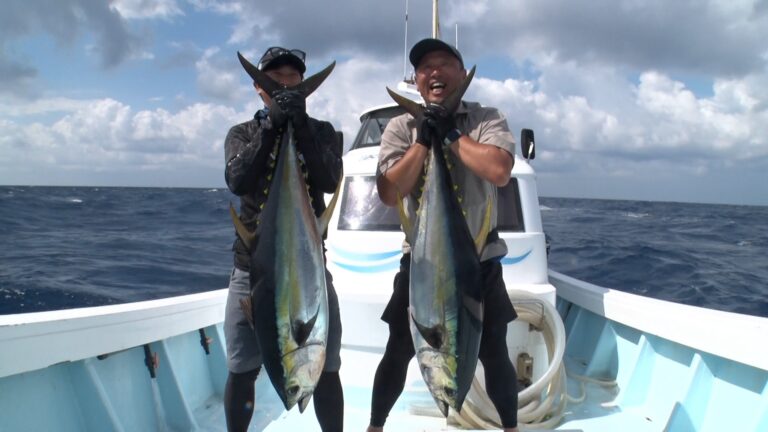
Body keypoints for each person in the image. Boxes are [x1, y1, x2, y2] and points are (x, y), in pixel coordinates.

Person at [367, 38, 520, 432]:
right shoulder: (402, 126)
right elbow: (390, 192)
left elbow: (499, 171)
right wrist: (423, 139)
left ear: (461, 73)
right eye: (425, 67)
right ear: (417, 80)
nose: (434, 72)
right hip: (421, 263)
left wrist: (451, 134)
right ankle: (375, 427)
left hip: (479, 261)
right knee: (398, 348)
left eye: (444, 64)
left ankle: (511, 427)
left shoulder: (486, 118)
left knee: (494, 351)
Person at [223, 46, 344, 432]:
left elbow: (329, 179)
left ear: (304, 84)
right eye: (275, 78)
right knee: (241, 368)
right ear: (259, 87)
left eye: (293, 77)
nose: (285, 83)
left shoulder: (323, 132)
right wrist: (272, 125)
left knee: (328, 367)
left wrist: (300, 127)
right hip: (252, 272)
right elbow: (237, 179)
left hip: (310, 271)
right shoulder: (242, 133)